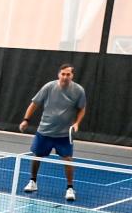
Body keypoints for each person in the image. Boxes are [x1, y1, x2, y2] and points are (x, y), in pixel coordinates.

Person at [19, 63, 87, 201]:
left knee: (68, 159)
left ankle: (69, 188)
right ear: (59, 74)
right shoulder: (49, 87)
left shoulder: (79, 90)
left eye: (68, 74)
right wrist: (26, 119)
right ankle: (33, 181)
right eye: (63, 74)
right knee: (36, 155)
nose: (65, 76)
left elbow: (82, 108)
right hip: (44, 131)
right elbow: (34, 103)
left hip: (63, 134)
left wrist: (77, 123)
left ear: (72, 75)